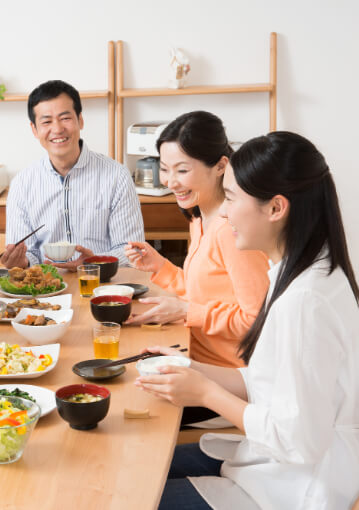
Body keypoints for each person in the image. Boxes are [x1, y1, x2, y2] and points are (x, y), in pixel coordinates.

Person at [136, 132, 359, 510]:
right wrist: (192, 369)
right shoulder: (298, 269)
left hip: (291, 488)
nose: (224, 212)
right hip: (264, 461)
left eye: (233, 198)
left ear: (276, 208)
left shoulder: (305, 301)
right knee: (138, 469)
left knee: (127, 494)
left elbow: (298, 440)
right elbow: (266, 381)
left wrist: (205, 393)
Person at [125, 112, 269, 372]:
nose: (170, 181)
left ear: (220, 166)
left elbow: (256, 319)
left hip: (227, 375)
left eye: (182, 170)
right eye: (165, 169)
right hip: (193, 356)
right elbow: (203, 293)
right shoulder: (199, 217)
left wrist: (186, 312)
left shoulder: (231, 229)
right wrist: (161, 268)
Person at [1, 80, 144, 271]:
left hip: (102, 283)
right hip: (45, 289)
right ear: (34, 130)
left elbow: (130, 249)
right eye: (46, 121)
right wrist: (21, 262)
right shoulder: (22, 183)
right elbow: (28, 253)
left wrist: (95, 261)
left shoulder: (116, 175)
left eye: (65, 118)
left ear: (80, 120)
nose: (57, 129)